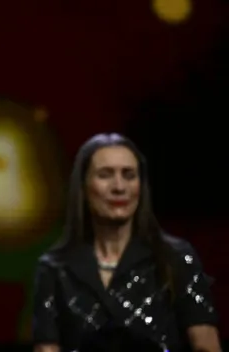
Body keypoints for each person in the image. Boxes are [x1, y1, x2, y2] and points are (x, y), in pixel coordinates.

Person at [32, 133, 221, 352]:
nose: (119, 187)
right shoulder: (54, 269)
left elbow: (207, 347)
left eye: (129, 175)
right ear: (83, 187)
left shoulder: (176, 258)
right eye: (105, 175)